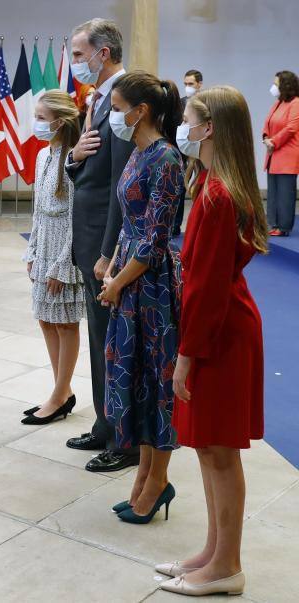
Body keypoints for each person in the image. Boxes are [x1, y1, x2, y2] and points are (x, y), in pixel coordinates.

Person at [160, 85, 268, 597]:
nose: (182, 127)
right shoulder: (210, 185)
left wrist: (186, 356)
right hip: (216, 326)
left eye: (189, 119)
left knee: (220, 451)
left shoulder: (219, 194)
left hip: (219, 334)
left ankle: (227, 565)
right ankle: (212, 549)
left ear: (210, 129)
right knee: (206, 446)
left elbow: (204, 286)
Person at [98, 71, 184, 524]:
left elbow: (154, 240)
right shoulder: (137, 151)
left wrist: (118, 281)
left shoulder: (167, 158)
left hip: (152, 287)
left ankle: (156, 482)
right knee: (136, 379)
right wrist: (110, 264)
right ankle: (145, 477)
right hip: (130, 278)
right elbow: (129, 222)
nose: (113, 115)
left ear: (141, 111)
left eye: (116, 107)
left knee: (158, 381)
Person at [64, 18, 138, 472]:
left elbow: (119, 186)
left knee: (113, 341)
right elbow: (90, 170)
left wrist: (109, 252)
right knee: (97, 337)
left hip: (105, 247)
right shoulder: (97, 98)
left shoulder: (126, 99)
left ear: (102, 54)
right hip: (89, 236)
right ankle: (104, 425)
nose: (75, 63)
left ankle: (125, 440)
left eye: (78, 54)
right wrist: (74, 158)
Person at [21, 90, 84, 426]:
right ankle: (63, 389)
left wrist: (63, 263)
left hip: (64, 250)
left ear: (59, 122)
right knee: (45, 318)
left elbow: (76, 216)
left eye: (42, 118)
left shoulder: (74, 158)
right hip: (43, 243)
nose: (37, 124)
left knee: (65, 321)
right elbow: (37, 210)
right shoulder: (43, 156)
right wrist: (31, 250)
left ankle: (60, 394)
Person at [262, 70, 299, 237]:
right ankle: (272, 224)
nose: (274, 87)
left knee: (285, 193)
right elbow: (268, 122)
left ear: (286, 86)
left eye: (276, 84)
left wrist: (273, 141)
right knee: (273, 192)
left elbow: (291, 128)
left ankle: (283, 227)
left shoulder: (296, 103)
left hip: (286, 155)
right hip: (273, 154)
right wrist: (265, 137)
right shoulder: (278, 103)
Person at [173, 69, 204, 236]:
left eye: (190, 84)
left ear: (199, 84)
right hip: (183, 150)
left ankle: (200, 226)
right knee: (180, 187)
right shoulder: (180, 103)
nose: (187, 87)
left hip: (202, 150)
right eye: (185, 84)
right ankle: (176, 227)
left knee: (201, 187)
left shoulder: (207, 102)